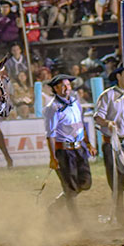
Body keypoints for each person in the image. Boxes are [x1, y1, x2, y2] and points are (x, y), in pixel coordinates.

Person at [45, 74, 98, 219]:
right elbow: (50, 134)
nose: (67, 88)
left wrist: (88, 144)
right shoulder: (52, 108)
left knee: (86, 182)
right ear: (55, 89)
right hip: (64, 151)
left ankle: (57, 205)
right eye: (63, 86)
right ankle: (76, 222)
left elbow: (80, 124)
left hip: (79, 148)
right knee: (70, 187)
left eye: (68, 85)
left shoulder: (75, 102)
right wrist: (53, 157)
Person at [93, 65, 124, 217]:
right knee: (116, 181)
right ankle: (119, 214)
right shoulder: (108, 95)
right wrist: (107, 123)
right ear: (118, 77)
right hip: (112, 143)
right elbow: (97, 117)